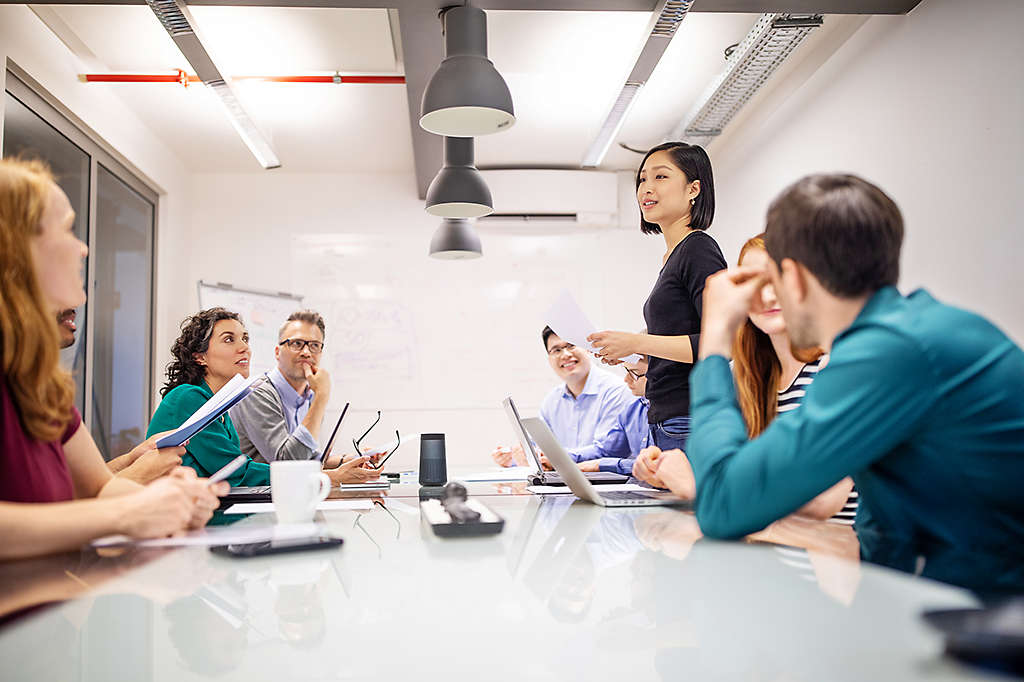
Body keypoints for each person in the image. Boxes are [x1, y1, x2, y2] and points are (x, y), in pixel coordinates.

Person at [644, 173, 1024, 546]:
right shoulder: (912, 335)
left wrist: (714, 341)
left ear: (790, 277)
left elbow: (723, 509)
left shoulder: (887, 354)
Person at [0, 158, 224, 560]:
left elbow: (101, 486)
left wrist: (176, 501)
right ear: (14, 251)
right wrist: (125, 513)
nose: (83, 247)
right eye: (67, 229)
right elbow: (111, 507)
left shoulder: (40, 388)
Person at [635, 235, 857, 523]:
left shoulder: (833, 368)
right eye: (754, 284)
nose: (767, 295)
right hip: (775, 549)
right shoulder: (746, 380)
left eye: (779, 280)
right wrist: (668, 471)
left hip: (836, 554)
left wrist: (697, 485)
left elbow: (821, 499)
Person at [588, 142, 726, 455]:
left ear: (693, 189)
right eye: (642, 179)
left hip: (690, 419)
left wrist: (638, 343)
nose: (646, 188)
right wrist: (638, 355)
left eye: (660, 177)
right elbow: (681, 335)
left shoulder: (698, 249)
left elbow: (721, 344)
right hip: (669, 417)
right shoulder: (673, 256)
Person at [229, 309, 378, 482]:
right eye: (297, 343)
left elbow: (308, 458)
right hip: (257, 502)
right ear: (277, 352)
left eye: (314, 345)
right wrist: (321, 398)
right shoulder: (256, 392)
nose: (306, 352)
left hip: (292, 496)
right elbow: (288, 464)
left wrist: (351, 460)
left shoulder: (310, 395)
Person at [55, 310, 183, 484]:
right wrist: (140, 473)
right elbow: (57, 503)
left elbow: (84, 485)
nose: (81, 297)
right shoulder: (188, 395)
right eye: (228, 340)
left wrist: (130, 459)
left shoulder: (51, 397)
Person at [491, 327, 630, 467]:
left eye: (571, 345)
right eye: (556, 350)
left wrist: (555, 458)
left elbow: (607, 450)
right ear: (549, 358)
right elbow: (537, 447)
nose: (565, 354)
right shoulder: (552, 400)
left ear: (588, 349)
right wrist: (514, 458)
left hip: (608, 484)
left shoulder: (616, 391)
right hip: (565, 483)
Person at [568, 356, 650, 477]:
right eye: (627, 371)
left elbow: (656, 466)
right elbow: (607, 451)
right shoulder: (632, 409)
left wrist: (601, 465)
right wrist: (561, 458)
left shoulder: (677, 413)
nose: (626, 380)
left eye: (635, 373)